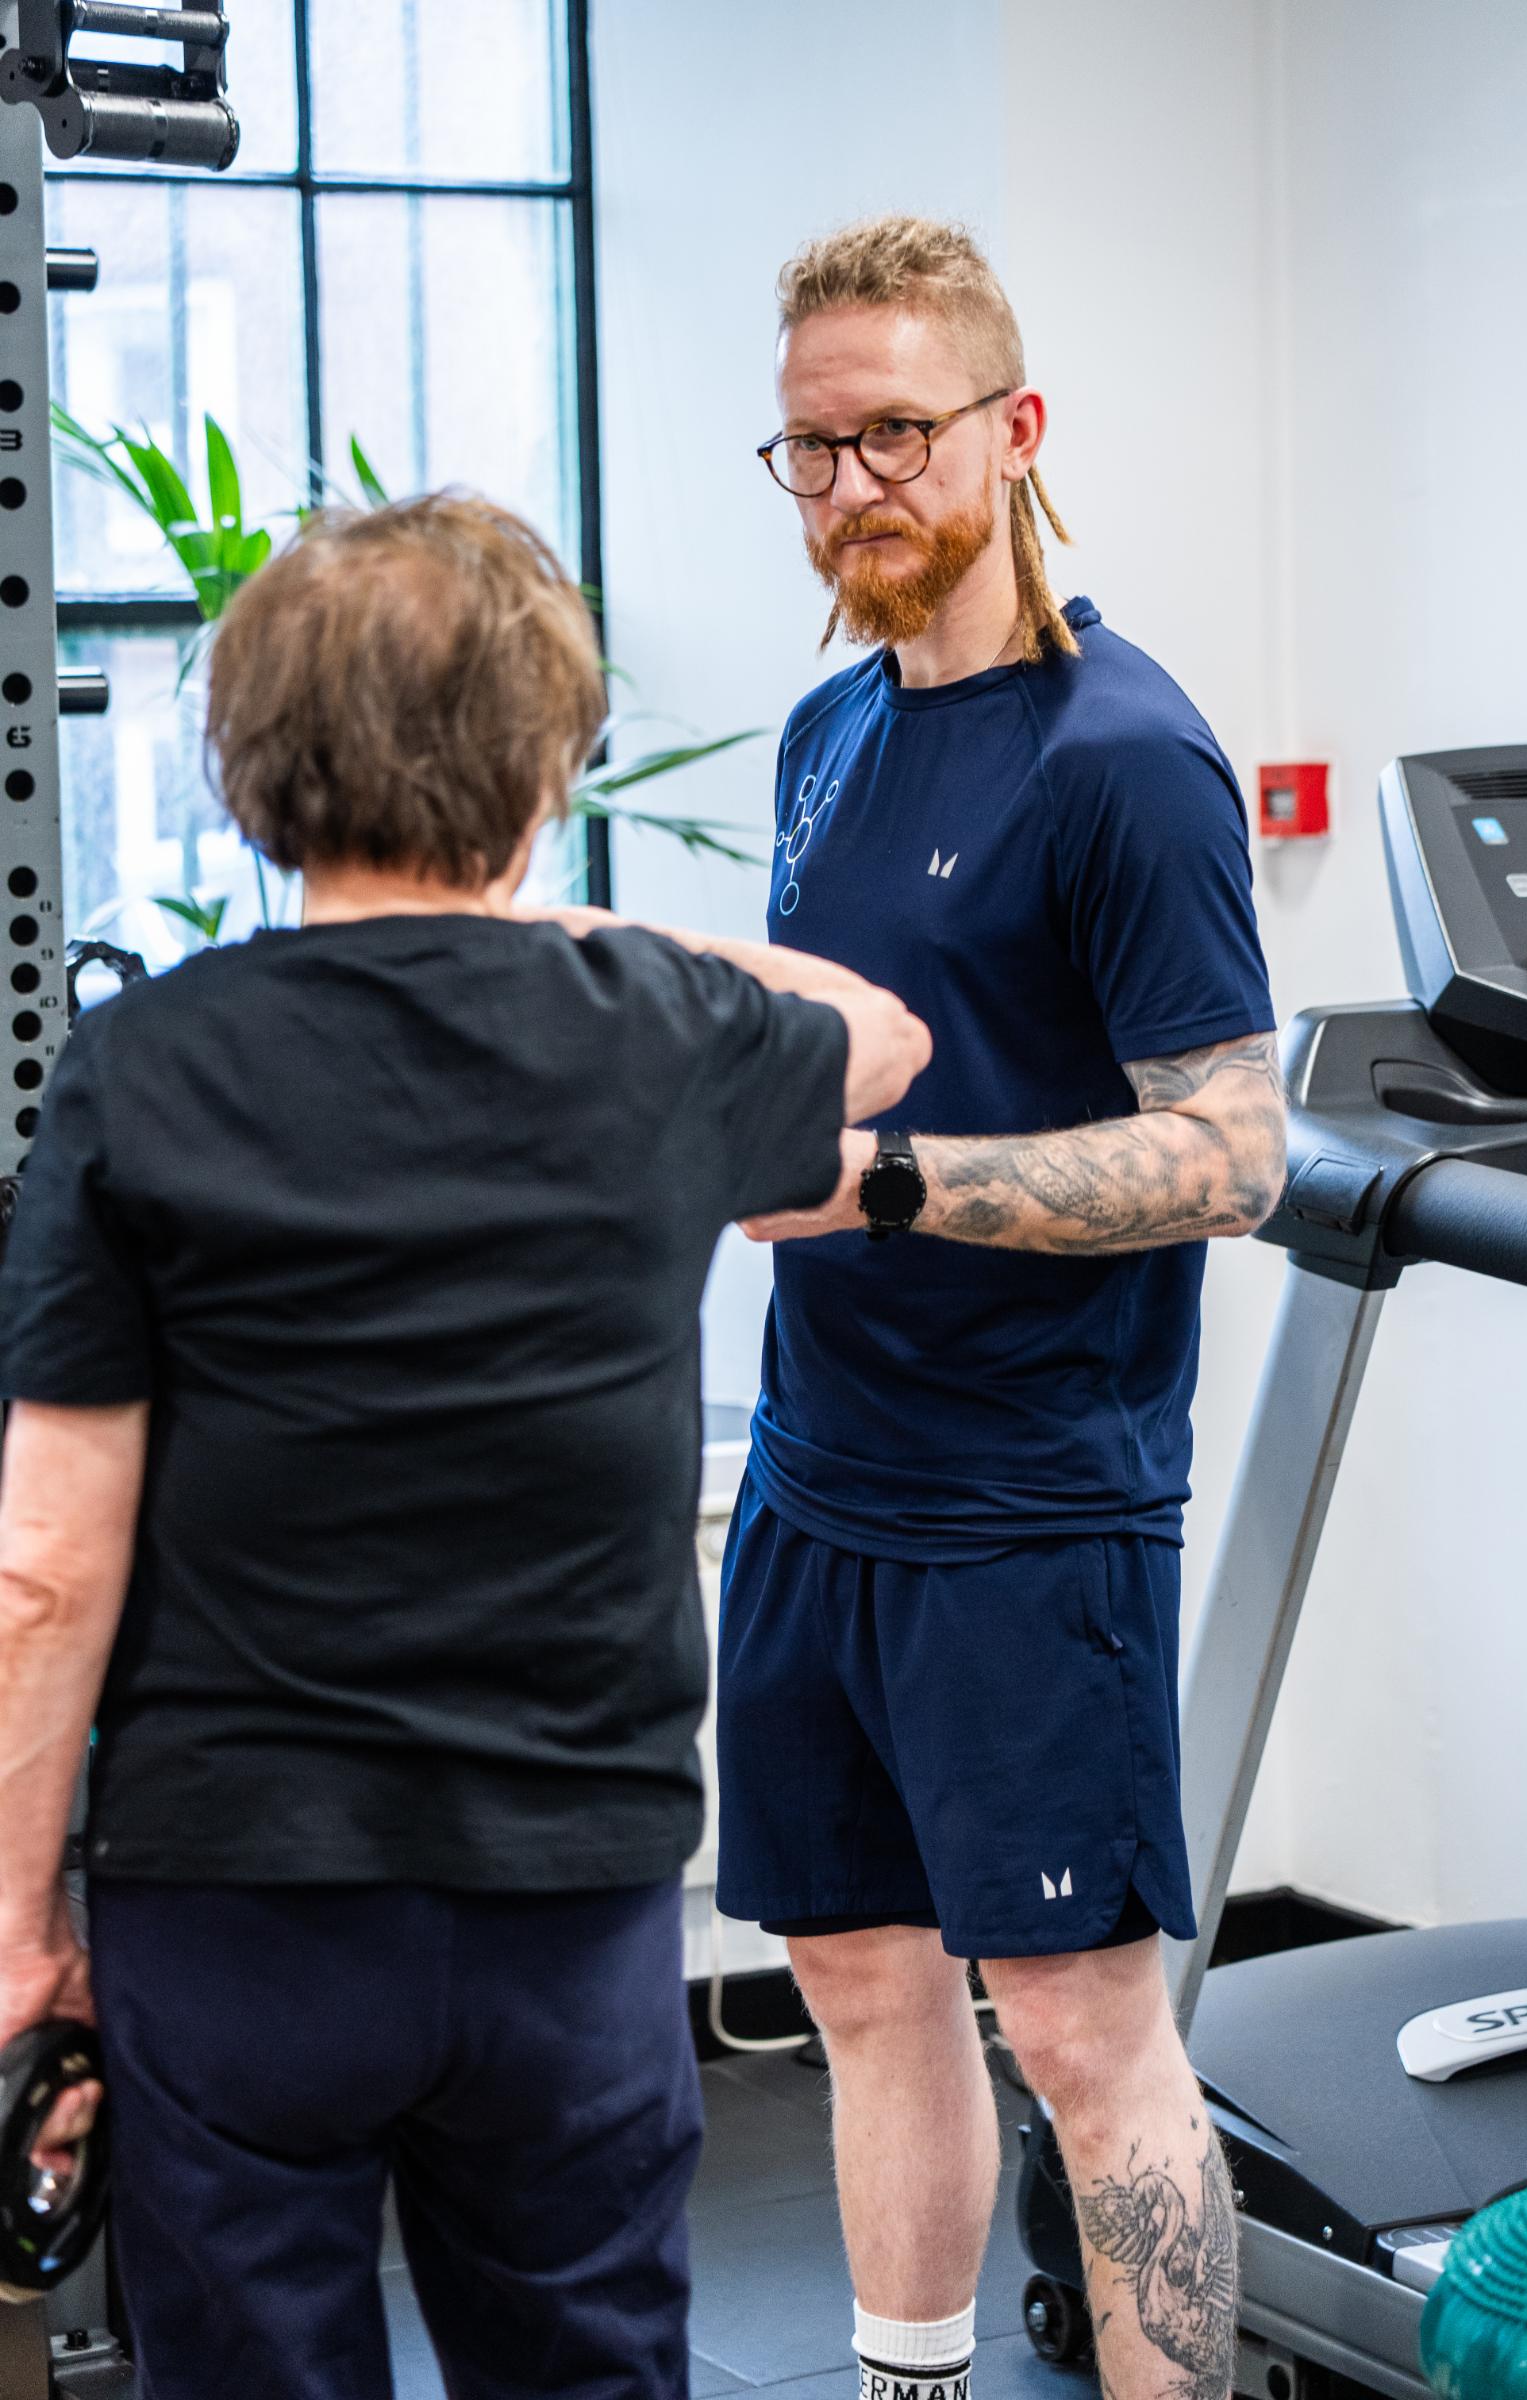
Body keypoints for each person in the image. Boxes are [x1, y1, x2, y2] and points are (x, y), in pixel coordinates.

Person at [0, 494, 930, 2400]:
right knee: (584, 2364)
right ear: (541, 763)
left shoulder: (144, 1066)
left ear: (254, 767)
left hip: (237, 1902)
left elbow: (47, 1568)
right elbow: (882, 1033)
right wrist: (574, 920)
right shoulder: (656, 1030)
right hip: (563, 1910)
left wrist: (16, 1924)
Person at [715, 217, 1286, 2400]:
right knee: (859, 1980)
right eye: (805, 449)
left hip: (1031, 1508)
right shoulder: (823, 737)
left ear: (1011, 429)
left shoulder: (1122, 756)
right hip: (816, 1480)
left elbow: (1225, 1152)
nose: (849, 484)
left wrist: (884, 1186)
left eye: (890, 433)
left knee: (1074, 2024)